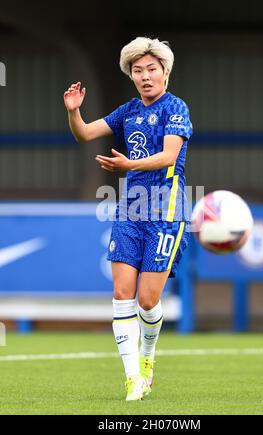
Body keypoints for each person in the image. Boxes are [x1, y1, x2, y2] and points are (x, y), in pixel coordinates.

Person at [64, 36, 193, 401]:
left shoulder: (176, 108)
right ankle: (132, 377)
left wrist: (128, 164)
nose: (145, 76)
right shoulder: (128, 111)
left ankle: (148, 359)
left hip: (167, 212)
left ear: (165, 72)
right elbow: (86, 134)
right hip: (130, 210)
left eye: (152, 69)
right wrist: (74, 111)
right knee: (122, 294)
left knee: (148, 301)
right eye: (138, 70)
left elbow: (169, 156)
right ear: (131, 76)